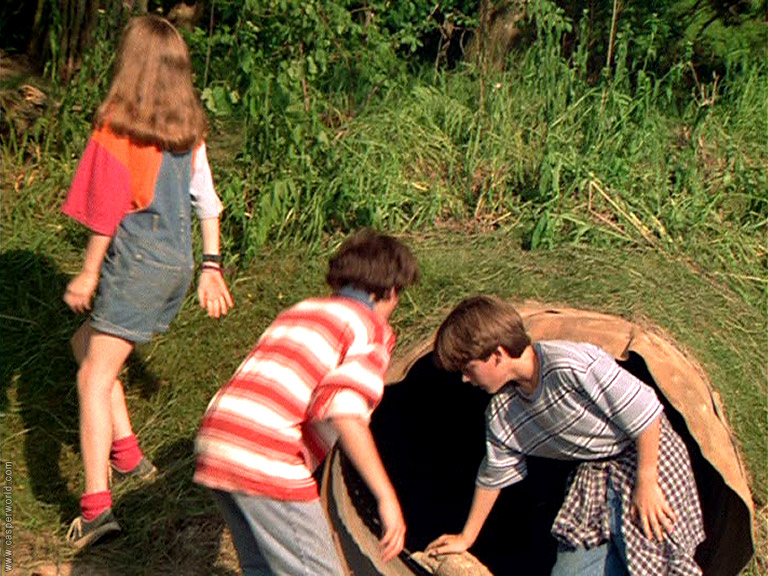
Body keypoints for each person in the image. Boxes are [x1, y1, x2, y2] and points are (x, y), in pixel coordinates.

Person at [61, 15, 233, 549]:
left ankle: (96, 510)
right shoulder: (187, 130)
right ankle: (129, 456)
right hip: (176, 265)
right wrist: (211, 265)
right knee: (84, 345)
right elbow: (207, 201)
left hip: (135, 265)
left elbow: (106, 210)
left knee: (92, 378)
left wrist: (89, 272)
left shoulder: (118, 126)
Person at [425, 296, 704, 576]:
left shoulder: (572, 365)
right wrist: (466, 537)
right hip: (596, 475)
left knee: (655, 559)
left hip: (647, 457)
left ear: (496, 355)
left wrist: (647, 482)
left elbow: (645, 409)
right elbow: (493, 474)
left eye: (468, 368)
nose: (465, 379)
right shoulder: (503, 412)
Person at [194, 229, 419, 575]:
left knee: (263, 566)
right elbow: (346, 412)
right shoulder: (370, 328)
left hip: (217, 438)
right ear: (390, 292)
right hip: (265, 453)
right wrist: (386, 497)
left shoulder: (302, 310)